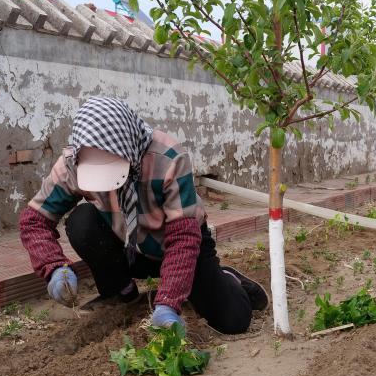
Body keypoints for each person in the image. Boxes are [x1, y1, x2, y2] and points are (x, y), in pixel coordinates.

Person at [19, 97, 267, 334]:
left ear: (126, 151)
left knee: (233, 320)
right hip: (128, 246)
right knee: (82, 222)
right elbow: (35, 220)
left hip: (180, 247)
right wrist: (53, 267)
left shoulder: (168, 158)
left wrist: (168, 303)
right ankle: (120, 291)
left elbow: (183, 238)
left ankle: (227, 279)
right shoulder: (72, 165)